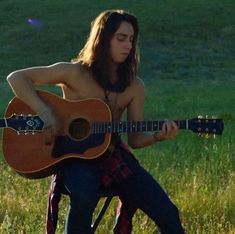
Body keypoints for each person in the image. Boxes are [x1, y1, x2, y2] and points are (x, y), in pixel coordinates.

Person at [7, 9, 185, 234]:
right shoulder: (73, 73)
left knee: (167, 212)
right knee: (84, 195)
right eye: (121, 38)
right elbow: (16, 78)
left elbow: (136, 139)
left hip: (113, 155)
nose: (128, 45)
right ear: (103, 38)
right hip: (73, 155)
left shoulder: (134, 86)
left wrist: (158, 136)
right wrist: (44, 112)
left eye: (131, 39)